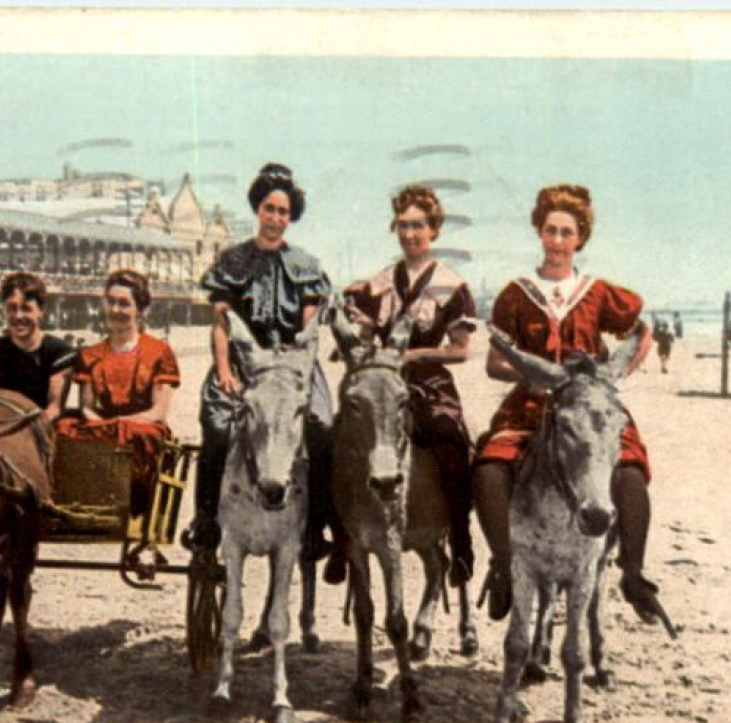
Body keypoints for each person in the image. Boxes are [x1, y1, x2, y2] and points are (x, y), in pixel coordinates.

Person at [472, 183, 665, 625]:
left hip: (588, 403)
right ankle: (502, 563)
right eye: (550, 231)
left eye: (567, 233)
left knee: (631, 469)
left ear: (580, 238)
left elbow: (643, 330)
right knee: (488, 465)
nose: (557, 242)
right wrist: (533, 375)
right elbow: (495, 362)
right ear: (539, 233)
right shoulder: (518, 293)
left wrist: (614, 378)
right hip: (531, 404)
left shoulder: (596, 292)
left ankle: (633, 573)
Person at [188, 163, 340, 577]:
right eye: (269, 209)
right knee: (217, 425)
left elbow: (309, 331)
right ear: (258, 209)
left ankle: (315, 527)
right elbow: (221, 323)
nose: (275, 219)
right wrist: (223, 370)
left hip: (293, 367)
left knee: (322, 427)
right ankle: (205, 522)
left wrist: (296, 375)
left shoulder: (306, 266)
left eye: (283, 212)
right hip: (243, 362)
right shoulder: (233, 261)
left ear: (291, 217)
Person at [342, 184, 478, 586]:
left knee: (451, 438)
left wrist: (414, 357)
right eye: (402, 226)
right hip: (382, 382)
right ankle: (340, 538)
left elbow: (461, 350)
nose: (409, 234)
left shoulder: (450, 285)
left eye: (417, 226)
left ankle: (461, 539)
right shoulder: (379, 282)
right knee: (341, 436)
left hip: (429, 382)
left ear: (434, 231)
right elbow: (366, 339)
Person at [55, 269, 181, 515]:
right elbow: (87, 407)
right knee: (63, 428)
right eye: (111, 302)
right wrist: (105, 425)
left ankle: (132, 500)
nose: (116, 310)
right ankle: (79, 499)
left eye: (124, 304)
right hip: (103, 425)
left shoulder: (158, 352)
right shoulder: (90, 354)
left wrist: (120, 424)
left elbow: (158, 411)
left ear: (140, 309)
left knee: (138, 435)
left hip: (142, 426)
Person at [0, 272, 76, 420]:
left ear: (41, 311)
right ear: (3, 310)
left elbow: (54, 408)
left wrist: (22, 431)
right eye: (12, 308)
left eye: (26, 308)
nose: (18, 316)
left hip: (40, 427)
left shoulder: (58, 352)